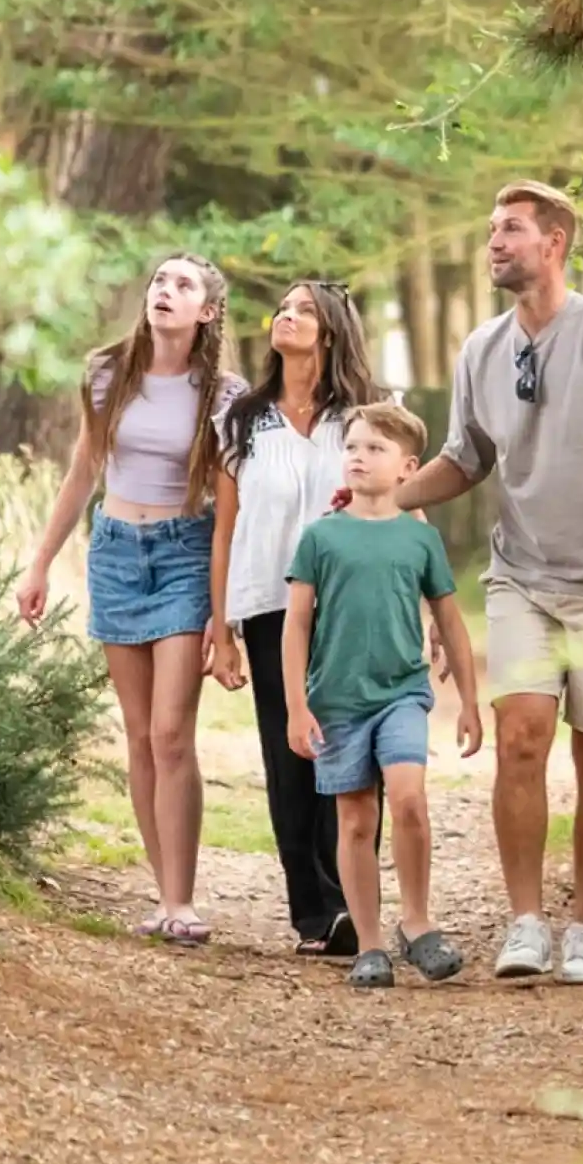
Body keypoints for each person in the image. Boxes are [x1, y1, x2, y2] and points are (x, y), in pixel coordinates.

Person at [393, 181, 583, 986]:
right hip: (520, 576)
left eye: (511, 230)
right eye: (490, 228)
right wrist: (389, 493)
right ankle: (525, 924)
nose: (494, 241)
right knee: (521, 738)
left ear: (554, 243)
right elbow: (466, 459)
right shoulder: (481, 350)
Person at [18, 253, 246, 945]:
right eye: (159, 281)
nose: (164, 292)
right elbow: (84, 468)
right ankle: (162, 895)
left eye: (183, 285)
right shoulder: (105, 371)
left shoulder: (225, 392)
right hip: (116, 551)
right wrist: (39, 562)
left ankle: (183, 901)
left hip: (184, 552)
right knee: (142, 734)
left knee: (174, 732)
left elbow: (230, 507)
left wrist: (222, 606)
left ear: (207, 311)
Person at [209, 279, 385, 958]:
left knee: (351, 746)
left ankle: (352, 899)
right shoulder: (241, 419)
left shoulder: (362, 419)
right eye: (283, 307)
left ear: (332, 330)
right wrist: (220, 625)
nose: (287, 315)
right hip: (269, 603)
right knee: (292, 752)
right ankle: (314, 912)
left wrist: (427, 608)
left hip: (351, 601)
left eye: (304, 309)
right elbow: (225, 527)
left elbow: (399, 503)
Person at [285, 403, 481, 989]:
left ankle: (418, 924)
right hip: (338, 700)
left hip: (401, 693)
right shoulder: (320, 537)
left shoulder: (419, 539)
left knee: (409, 800)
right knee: (353, 822)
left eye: (374, 448)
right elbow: (296, 625)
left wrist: (470, 701)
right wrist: (297, 705)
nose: (358, 457)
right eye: (352, 447)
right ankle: (369, 944)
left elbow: (450, 620)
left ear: (407, 467)